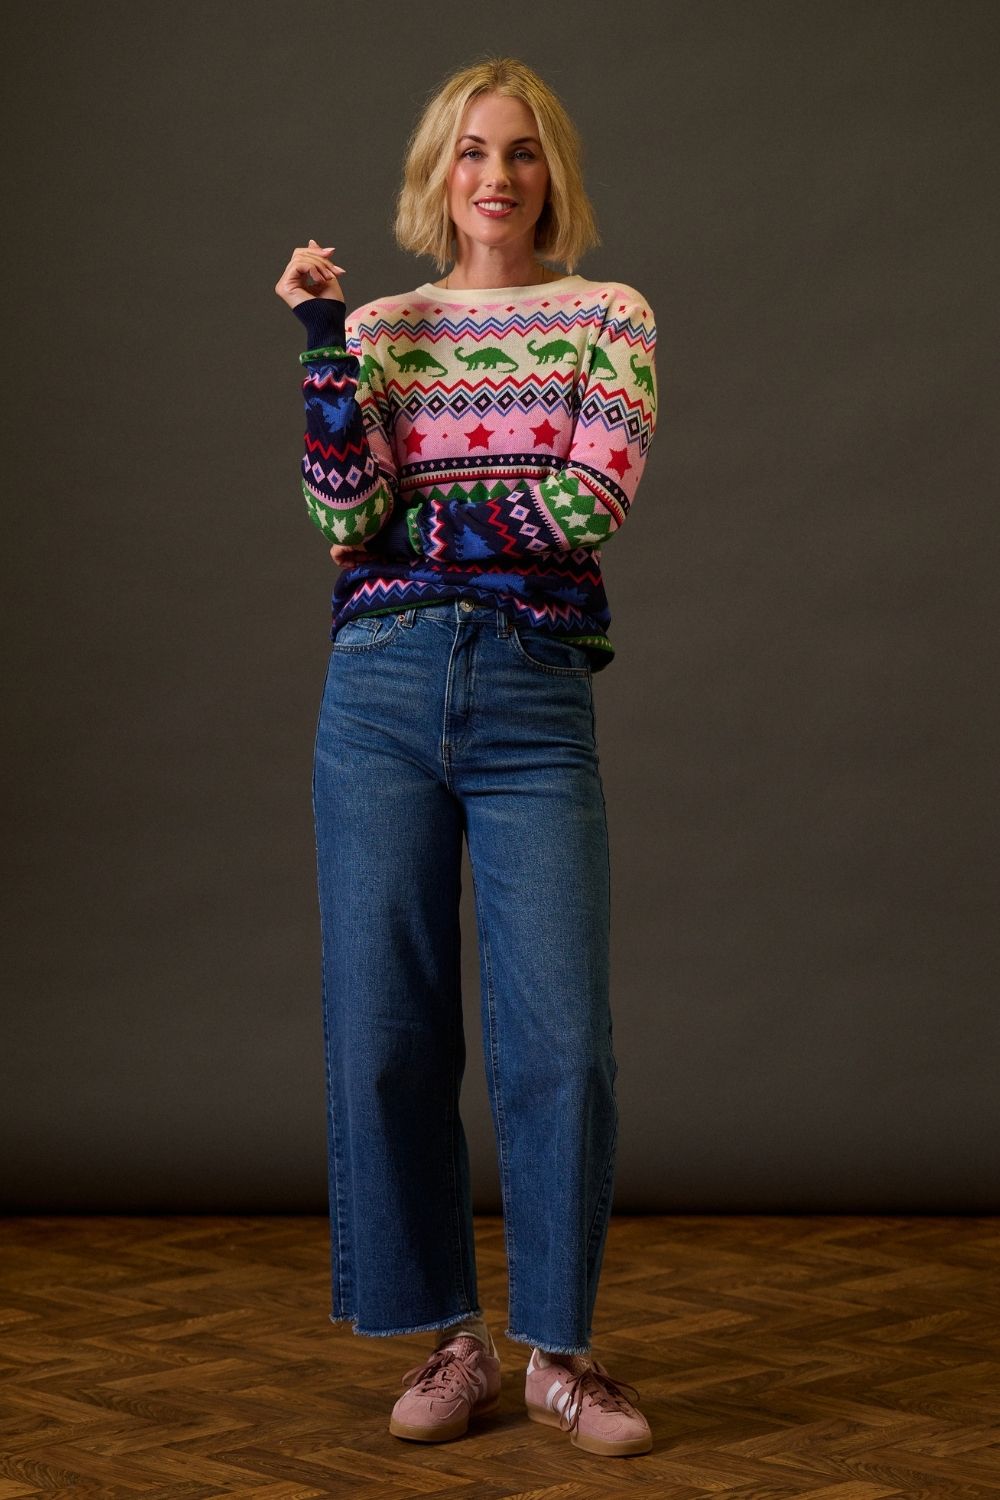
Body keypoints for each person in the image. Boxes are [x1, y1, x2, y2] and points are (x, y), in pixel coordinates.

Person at [274, 55, 658, 1459]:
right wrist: (324, 345)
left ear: (554, 175)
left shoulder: (606, 319)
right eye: (473, 152)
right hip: (374, 695)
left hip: (530, 694)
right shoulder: (375, 323)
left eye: (525, 153)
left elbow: (585, 499)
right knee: (387, 1027)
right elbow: (343, 501)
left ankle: (563, 1355)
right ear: (439, 173)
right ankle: (452, 1339)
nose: (497, 177)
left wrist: (411, 539)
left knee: (560, 1035)